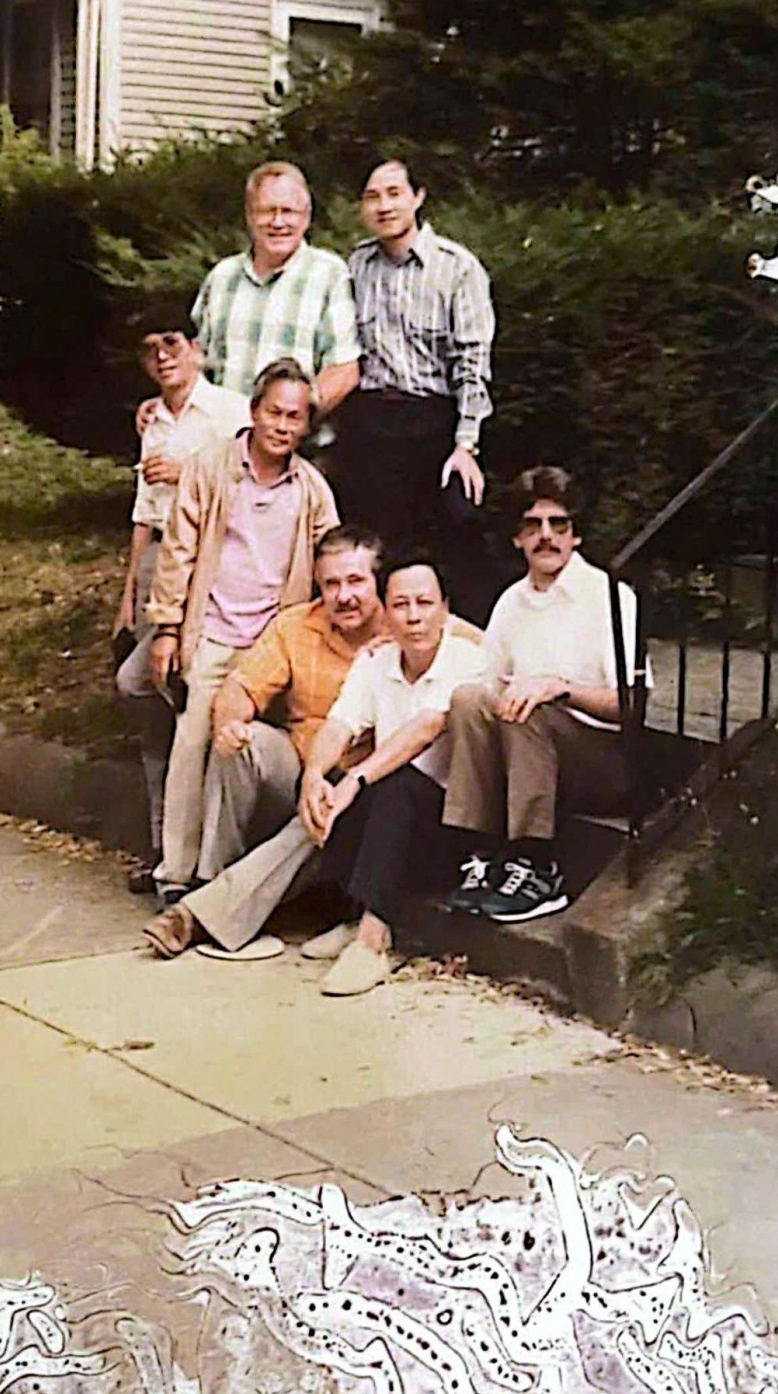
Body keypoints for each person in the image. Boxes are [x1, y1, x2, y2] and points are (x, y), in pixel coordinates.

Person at [139, 525, 386, 962]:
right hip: (299, 766)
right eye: (331, 584)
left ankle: (196, 914)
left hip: (360, 785)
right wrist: (230, 724)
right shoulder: (297, 625)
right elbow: (240, 687)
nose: (343, 596)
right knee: (241, 742)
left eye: (356, 581)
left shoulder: (404, 627)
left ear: (378, 582)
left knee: (324, 810)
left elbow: (473, 647)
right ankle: (211, 879)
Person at [145, 358, 338, 902]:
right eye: (274, 412)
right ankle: (174, 872)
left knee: (236, 754)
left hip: (270, 643)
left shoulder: (312, 489)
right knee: (192, 744)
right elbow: (178, 551)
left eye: (295, 418)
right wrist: (166, 628)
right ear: (254, 412)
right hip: (212, 632)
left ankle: (215, 876)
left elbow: (331, 560)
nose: (282, 426)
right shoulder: (210, 468)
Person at [438, 465, 642, 925]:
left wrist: (560, 689)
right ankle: (479, 854)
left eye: (558, 524)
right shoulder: (510, 602)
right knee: (469, 698)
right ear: (517, 539)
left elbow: (632, 705)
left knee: (529, 706)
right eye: (532, 526)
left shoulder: (609, 596)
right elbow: (487, 687)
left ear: (576, 536)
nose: (546, 536)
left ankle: (536, 864)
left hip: (602, 762)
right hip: (528, 757)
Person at [298, 555, 487, 997]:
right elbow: (340, 724)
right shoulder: (376, 662)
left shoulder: (467, 660)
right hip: (398, 817)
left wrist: (355, 779)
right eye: (401, 605)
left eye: (425, 603)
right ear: (385, 611)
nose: (414, 616)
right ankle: (355, 917)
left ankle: (373, 941)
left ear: (445, 609)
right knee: (335, 781)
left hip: (459, 828)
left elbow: (425, 729)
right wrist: (313, 775)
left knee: (391, 785)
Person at [112, 300, 250, 890]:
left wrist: (189, 470)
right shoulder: (154, 421)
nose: (163, 357)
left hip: (209, 569)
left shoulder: (228, 411)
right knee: (149, 704)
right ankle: (163, 844)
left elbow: (249, 484)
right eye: (150, 350)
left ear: (196, 348)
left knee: (175, 694)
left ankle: (204, 854)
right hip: (159, 566)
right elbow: (144, 512)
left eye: (172, 343)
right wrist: (129, 591)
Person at [336, 156, 497, 620]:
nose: (384, 206)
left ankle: (466, 646)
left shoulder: (456, 268)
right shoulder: (355, 267)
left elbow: (472, 362)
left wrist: (466, 445)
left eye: (394, 193)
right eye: (372, 196)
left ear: (418, 197)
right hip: (371, 422)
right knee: (374, 547)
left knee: (456, 536)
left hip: (434, 421)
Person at [191, 161, 363, 413]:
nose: (278, 222)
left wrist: (292, 420)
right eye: (267, 211)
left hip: (297, 435)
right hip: (223, 432)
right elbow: (195, 362)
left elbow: (343, 370)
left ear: (306, 216)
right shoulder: (221, 278)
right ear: (249, 215)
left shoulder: (329, 275)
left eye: (289, 211)